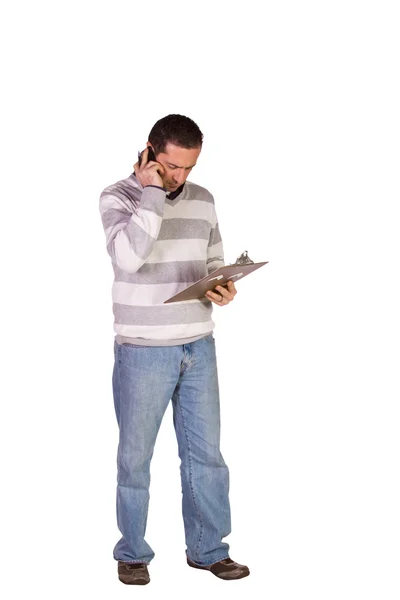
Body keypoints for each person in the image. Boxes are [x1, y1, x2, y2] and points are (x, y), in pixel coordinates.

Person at [99, 114, 250, 585]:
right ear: (148, 152)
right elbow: (128, 256)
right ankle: (133, 551)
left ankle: (208, 549)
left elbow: (211, 260)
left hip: (198, 347)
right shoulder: (118, 196)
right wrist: (152, 192)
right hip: (143, 351)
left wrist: (221, 286)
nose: (179, 178)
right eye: (169, 167)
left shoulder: (203, 199)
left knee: (207, 456)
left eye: (188, 168)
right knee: (135, 457)